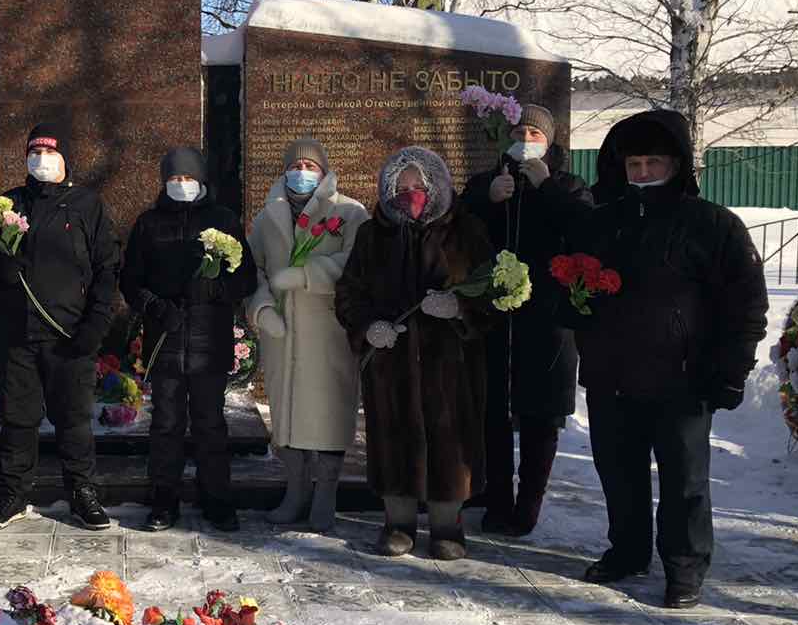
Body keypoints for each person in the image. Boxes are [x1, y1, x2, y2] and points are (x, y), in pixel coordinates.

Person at [570, 110, 767, 608]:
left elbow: (746, 304)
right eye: (633, 164)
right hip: (613, 373)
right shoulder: (600, 222)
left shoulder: (713, 225)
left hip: (683, 377)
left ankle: (685, 566)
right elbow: (571, 286)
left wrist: (732, 369)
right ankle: (628, 551)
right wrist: (572, 306)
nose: (642, 173)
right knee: (619, 473)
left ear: (677, 164)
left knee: (684, 480)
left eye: (653, 162)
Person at [336, 146, 494, 560]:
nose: (411, 193)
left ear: (436, 185)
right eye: (401, 187)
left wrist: (459, 308)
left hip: (451, 365)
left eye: (419, 185)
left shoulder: (467, 231)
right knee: (394, 437)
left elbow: (493, 293)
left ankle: (447, 526)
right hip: (391, 366)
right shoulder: (372, 235)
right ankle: (398, 522)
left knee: (450, 442)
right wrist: (369, 328)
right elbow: (349, 293)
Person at [0, 123, 121, 531]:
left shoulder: (87, 205)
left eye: (49, 152)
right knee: (18, 418)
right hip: (19, 334)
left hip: (69, 334)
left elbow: (107, 268)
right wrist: (0, 270)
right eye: (34, 152)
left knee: (73, 419)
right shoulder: (8, 204)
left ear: (65, 159)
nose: (41, 160)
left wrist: (96, 324)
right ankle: (12, 492)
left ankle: (82, 491)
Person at [460, 105, 592, 536]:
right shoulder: (488, 182)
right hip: (495, 317)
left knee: (541, 415)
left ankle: (529, 502)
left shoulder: (568, 185)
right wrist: (486, 199)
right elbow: (458, 230)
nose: (526, 139)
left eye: (535, 133)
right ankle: (497, 498)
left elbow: (585, 230)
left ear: (549, 142)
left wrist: (546, 187)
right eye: (519, 132)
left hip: (548, 319)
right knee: (492, 412)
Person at [121, 147, 258, 532]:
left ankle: (216, 498)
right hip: (165, 339)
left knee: (210, 423)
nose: (181, 184)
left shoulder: (223, 221)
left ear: (201, 180)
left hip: (209, 341)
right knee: (165, 423)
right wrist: (154, 306)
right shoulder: (148, 223)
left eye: (188, 178)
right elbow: (130, 280)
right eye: (174, 178)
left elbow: (246, 278)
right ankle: (164, 499)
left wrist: (216, 290)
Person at [245, 138, 367, 530]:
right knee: (287, 415)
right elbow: (252, 268)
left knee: (328, 413)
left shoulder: (349, 212)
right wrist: (262, 308)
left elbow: (358, 262)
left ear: (324, 171)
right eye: (295, 166)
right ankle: (295, 490)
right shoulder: (268, 217)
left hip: (328, 331)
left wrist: (306, 275)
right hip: (282, 335)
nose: (302, 172)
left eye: (310, 166)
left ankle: (326, 493)